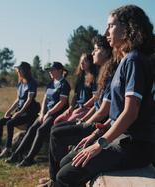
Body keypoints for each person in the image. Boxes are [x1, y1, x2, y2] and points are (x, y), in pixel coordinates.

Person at [54, 5, 155, 187]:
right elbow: (118, 112)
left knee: (65, 176)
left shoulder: (134, 60)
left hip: (134, 146)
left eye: (110, 25)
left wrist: (100, 144)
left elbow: (131, 112)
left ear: (128, 28)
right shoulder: (127, 60)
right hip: (120, 138)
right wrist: (95, 134)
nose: (106, 31)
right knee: (65, 162)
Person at [37, 35, 117, 187]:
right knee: (56, 128)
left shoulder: (110, 74)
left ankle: (56, 178)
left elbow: (103, 111)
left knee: (56, 133)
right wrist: (81, 118)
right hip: (95, 121)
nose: (92, 53)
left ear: (107, 52)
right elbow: (97, 105)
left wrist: (85, 122)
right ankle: (54, 177)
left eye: (96, 50)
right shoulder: (104, 73)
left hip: (99, 124)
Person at [6, 62, 71, 167]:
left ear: (60, 71)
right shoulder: (50, 83)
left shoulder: (64, 84)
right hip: (46, 113)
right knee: (32, 129)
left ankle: (29, 159)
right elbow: (45, 99)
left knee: (41, 130)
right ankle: (16, 155)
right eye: (49, 70)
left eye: (52, 69)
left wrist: (48, 113)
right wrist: (41, 113)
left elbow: (62, 102)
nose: (50, 71)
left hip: (57, 114)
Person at [0, 61, 40, 158]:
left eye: (19, 69)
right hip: (20, 112)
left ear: (25, 70)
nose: (17, 71)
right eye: (17, 69)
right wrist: (9, 111)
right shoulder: (20, 84)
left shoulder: (32, 83)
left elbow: (29, 100)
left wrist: (19, 113)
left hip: (29, 113)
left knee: (10, 123)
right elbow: (18, 99)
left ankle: (8, 149)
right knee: (0, 122)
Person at [54, 53, 97, 124]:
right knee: (57, 121)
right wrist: (71, 108)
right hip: (77, 107)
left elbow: (95, 98)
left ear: (91, 62)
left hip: (88, 108)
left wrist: (82, 107)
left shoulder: (95, 78)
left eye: (85, 61)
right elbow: (76, 95)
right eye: (81, 61)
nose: (82, 63)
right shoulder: (80, 78)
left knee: (67, 123)